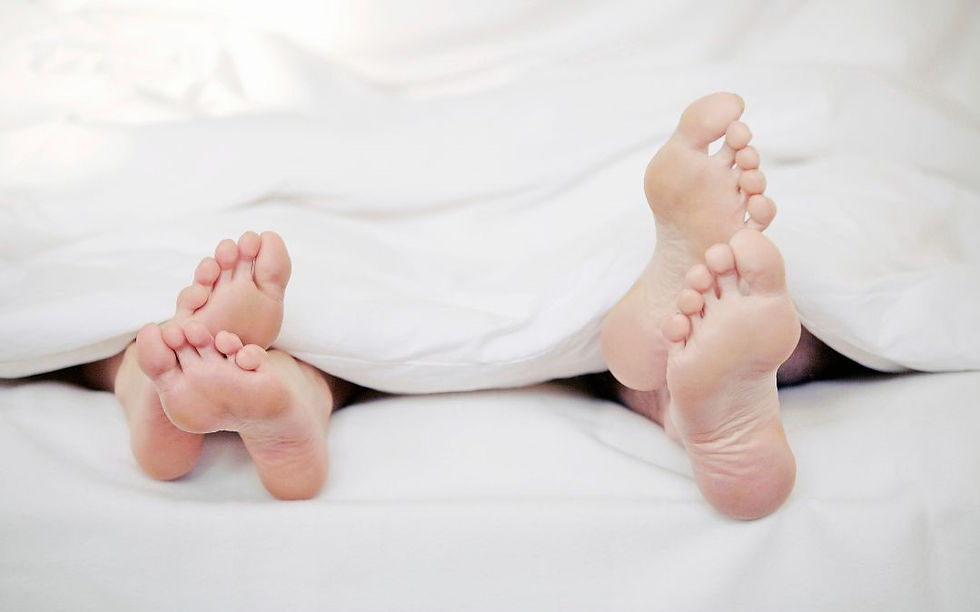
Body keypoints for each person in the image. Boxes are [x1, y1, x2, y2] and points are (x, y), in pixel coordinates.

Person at [76, 93, 866, 519]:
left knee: (140, 301)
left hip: (369, 178)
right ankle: (668, 389)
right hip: (536, 163)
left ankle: (207, 391)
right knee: (740, 288)